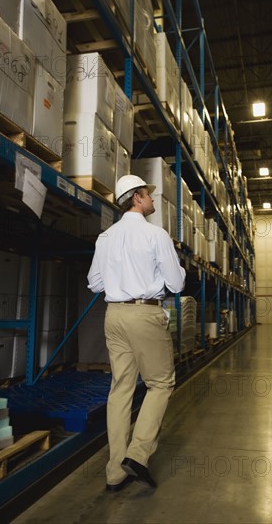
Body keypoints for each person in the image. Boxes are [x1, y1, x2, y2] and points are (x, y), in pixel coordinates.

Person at [87, 174, 186, 492]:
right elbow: (176, 284)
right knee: (161, 383)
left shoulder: (106, 237)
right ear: (138, 197)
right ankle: (138, 454)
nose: (154, 200)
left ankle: (114, 472)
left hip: (113, 314)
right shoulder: (156, 235)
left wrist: (120, 282)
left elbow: (94, 283)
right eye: (150, 195)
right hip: (144, 313)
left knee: (121, 389)